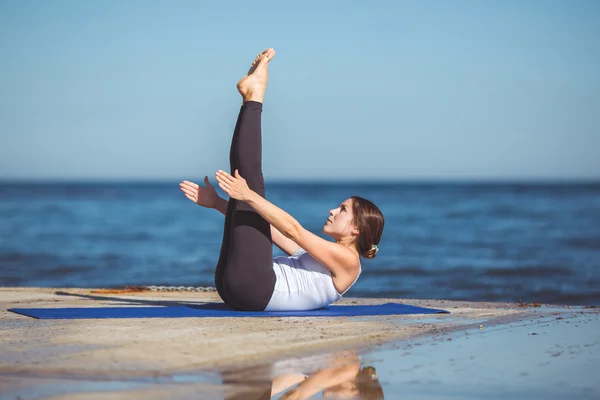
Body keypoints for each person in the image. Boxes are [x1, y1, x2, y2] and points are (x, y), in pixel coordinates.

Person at [179, 48, 384, 312]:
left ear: (357, 229)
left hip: (254, 288)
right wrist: (220, 204)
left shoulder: (348, 261)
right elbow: (271, 230)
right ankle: (249, 99)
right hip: (238, 289)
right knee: (246, 188)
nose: (333, 210)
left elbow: (293, 229)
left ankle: (255, 97)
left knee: (250, 184)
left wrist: (249, 195)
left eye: (343, 210)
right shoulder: (319, 255)